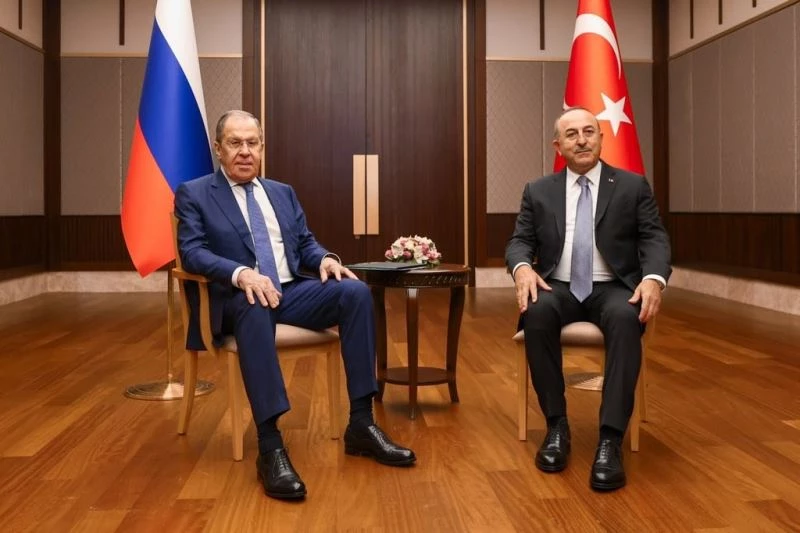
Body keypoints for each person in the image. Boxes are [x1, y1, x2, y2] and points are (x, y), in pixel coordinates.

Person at [175, 110, 415, 501]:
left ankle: (361, 423)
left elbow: (304, 243)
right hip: (238, 298)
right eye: (235, 143)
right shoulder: (195, 193)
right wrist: (241, 274)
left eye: (252, 143)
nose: (245, 151)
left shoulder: (281, 192)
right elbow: (192, 252)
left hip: (291, 291)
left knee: (355, 293)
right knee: (255, 302)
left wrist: (325, 259)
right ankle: (270, 446)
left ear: (262, 147)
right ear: (218, 149)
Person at [505, 107, 671, 491]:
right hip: (558, 286)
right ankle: (556, 427)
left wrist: (653, 279)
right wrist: (522, 269)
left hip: (613, 286)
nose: (582, 140)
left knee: (626, 318)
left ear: (600, 137)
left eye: (589, 132)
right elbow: (520, 241)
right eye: (572, 134)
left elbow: (654, 238)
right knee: (537, 311)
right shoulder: (538, 190)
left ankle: (610, 439)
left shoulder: (632, 186)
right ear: (558, 145)